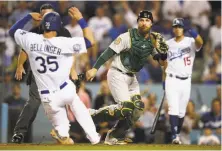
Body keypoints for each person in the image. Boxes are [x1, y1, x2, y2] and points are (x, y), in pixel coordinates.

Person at [9, 7, 100, 145]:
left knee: (62, 129)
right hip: (64, 89)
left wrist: (28, 17)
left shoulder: (31, 39)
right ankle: (94, 139)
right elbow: (90, 41)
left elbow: (12, 31)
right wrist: (80, 19)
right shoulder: (64, 42)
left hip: (47, 97)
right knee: (78, 107)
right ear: (58, 26)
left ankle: (62, 134)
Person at [86, 10, 168, 145]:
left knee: (137, 108)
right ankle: (90, 115)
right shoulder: (127, 36)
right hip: (117, 73)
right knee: (125, 108)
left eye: (147, 20)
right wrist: (95, 68)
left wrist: (164, 53)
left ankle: (114, 136)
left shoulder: (151, 41)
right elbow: (109, 51)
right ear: (137, 22)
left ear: (151, 23)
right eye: (141, 20)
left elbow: (161, 63)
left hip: (132, 78)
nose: (144, 23)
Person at [11, 4, 75, 144]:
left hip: (58, 75)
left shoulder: (64, 32)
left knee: (61, 103)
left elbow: (70, 54)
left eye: (49, 14)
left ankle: (62, 134)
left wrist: (72, 70)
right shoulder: (34, 32)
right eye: (44, 15)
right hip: (38, 74)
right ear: (40, 17)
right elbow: (24, 50)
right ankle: (19, 133)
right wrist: (20, 65)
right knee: (33, 103)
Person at [164, 18, 203, 144]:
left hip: (186, 81)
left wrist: (191, 31)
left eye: (179, 27)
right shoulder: (168, 43)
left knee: (181, 112)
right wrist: (164, 79)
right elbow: (164, 62)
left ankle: (177, 134)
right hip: (171, 78)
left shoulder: (190, 41)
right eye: (175, 26)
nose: (177, 29)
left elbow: (201, 42)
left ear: (183, 28)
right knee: (173, 109)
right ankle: (174, 136)